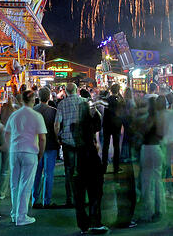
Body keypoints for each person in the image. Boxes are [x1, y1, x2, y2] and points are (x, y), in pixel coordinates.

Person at [5, 89, 45, 226]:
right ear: (33, 100)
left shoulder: (14, 115)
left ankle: (14, 213)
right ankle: (21, 216)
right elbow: (42, 138)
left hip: (14, 151)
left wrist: (9, 148)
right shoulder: (36, 116)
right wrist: (40, 153)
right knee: (26, 184)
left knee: (14, 184)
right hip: (30, 151)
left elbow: (7, 133)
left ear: (22, 100)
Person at [72, 89, 108, 235]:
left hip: (79, 160)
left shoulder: (74, 126)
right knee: (95, 193)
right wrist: (94, 111)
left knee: (80, 197)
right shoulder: (92, 122)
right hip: (92, 159)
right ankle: (96, 222)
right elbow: (99, 125)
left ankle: (83, 225)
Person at [54, 83, 83, 208]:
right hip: (82, 141)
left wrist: (57, 137)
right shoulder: (84, 102)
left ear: (65, 91)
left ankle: (70, 198)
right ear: (77, 90)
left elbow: (56, 124)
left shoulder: (61, 104)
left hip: (67, 141)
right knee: (81, 170)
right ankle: (81, 197)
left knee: (69, 170)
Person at [138, 96, 166, 222]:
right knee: (158, 180)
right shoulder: (159, 119)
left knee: (147, 181)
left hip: (147, 149)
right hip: (157, 149)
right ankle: (159, 209)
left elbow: (142, 133)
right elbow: (161, 135)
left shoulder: (146, 119)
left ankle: (148, 211)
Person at [32, 87, 58, 208]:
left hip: (36, 144)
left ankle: (34, 200)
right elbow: (56, 128)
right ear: (49, 97)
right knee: (49, 173)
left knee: (36, 173)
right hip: (51, 144)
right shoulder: (53, 111)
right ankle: (46, 201)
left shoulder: (33, 110)